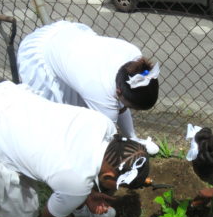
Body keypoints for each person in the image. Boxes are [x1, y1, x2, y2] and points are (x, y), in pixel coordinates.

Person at [0, 81, 150, 217]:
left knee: (51, 175)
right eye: (119, 185)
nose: (115, 190)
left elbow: (70, 158)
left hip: (4, 104)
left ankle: (73, 206)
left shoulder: (103, 125)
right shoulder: (76, 181)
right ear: (109, 177)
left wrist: (86, 195)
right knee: (19, 204)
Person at [17, 20, 160, 155]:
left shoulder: (135, 60)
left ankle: (133, 138)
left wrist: (131, 137)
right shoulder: (98, 90)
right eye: (130, 105)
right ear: (118, 91)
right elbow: (108, 137)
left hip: (73, 43)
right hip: (47, 51)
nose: (128, 107)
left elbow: (122, 106)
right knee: (59, 119)